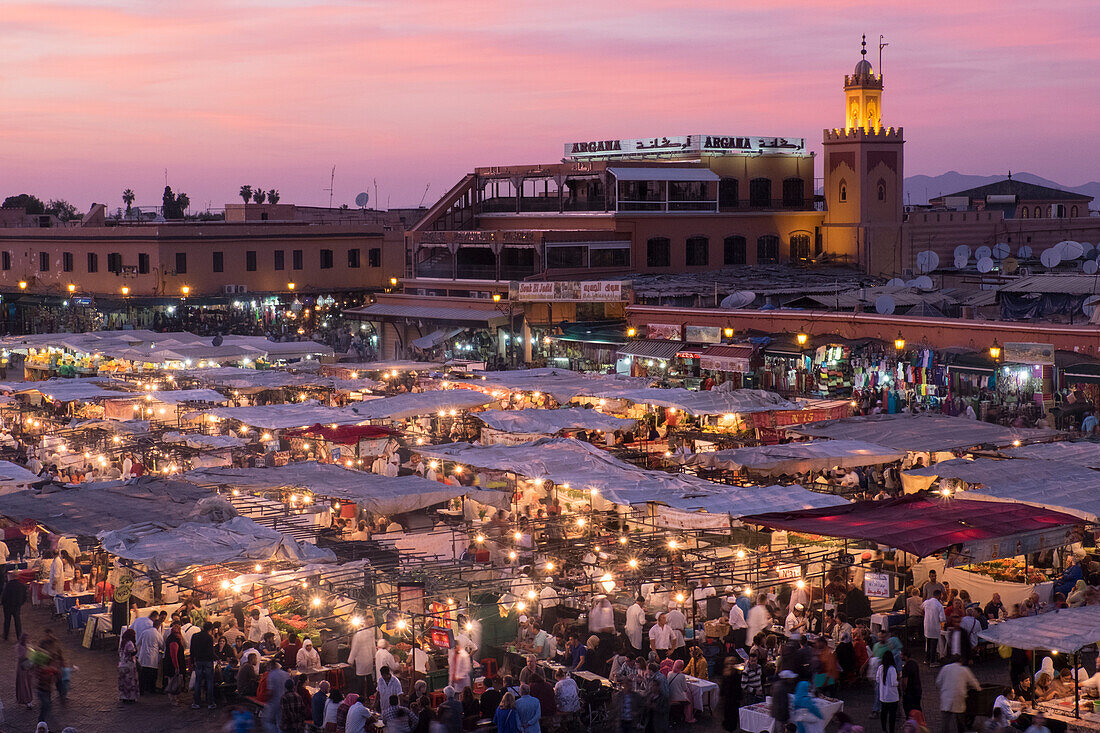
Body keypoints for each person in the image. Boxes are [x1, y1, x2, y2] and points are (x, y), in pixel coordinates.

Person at [937, 656, 980, 733]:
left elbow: (938, 682)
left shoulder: (945, 668)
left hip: (946, 697)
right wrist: (979, 688)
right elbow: (973, 681)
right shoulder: (964, 669)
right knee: (960, 719)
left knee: (945, 721)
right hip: (959, 697)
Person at [191, 621, 217, 709]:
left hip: (198, 661)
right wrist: (217, 658)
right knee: (209, 681)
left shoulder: (195, 636)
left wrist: (192, 661)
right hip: (208, 661)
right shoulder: (209, 638)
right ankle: (210, 702)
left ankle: (196, 702)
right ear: (210, 629)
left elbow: (192, 649)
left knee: (198, 681)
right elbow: (211, 652)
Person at [264, 659, 291, 733]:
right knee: (281, 721)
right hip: (285, 701)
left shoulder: (271, 675)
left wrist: (267, 701)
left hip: (275, 702)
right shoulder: (286, 674)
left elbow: (270, 691)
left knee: (268, 721)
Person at [877, 650, 900, 733]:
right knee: (892, 716)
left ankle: (884, 729)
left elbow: (877, 679)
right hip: (892, 697)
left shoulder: (880, 668)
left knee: (884, 714)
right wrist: (898, 682)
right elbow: (894, 683)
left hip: (883, 696)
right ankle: (891, 730)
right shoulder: (892, 669)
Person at [922, 590, 946, 665]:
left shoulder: (926, 602)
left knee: (928, 643)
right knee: (934, 644)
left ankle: (926, 659)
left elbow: (921, 608)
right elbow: (942, 619)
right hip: (935, 626)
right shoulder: (939, 605)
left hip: (927, 625)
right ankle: (932, 661)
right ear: (939, 596)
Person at [667, 659, 695, 723]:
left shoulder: (669, 673)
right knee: (689, 700)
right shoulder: (681, 676)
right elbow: (684, 689)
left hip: (670, 696)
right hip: (677, 698)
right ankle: (689, 718)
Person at [117, 627, 139, 704]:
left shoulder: (123, 643)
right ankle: (131, 697)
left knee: (123, 682)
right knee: (130, 682)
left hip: (121, 664)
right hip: (129, 666)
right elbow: (132, 652)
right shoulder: (129, 643)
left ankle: (123, 697)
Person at [2, 570, 26, 640]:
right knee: (17, 621)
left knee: (7, 621)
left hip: (8, 606)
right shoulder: (22, 585)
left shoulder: (8, 585)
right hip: (17, 606)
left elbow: (4, 596)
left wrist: (3, 603)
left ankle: (5, 635)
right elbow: (24, 597)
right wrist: (20, 603)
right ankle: (19, 636)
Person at [900, 650, 923, 714]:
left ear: (905, 656)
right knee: (917, 708)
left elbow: (905, 682)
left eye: (902, 655)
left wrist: (904, 690)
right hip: (917, 690)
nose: (900, 656)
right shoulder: (914, 663)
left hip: (910, 692)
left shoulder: (906, 667)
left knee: (909, 710)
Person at [16, 632, 34, 709]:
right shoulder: (21, 647)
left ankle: (29, 700)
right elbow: (21, 657)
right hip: (23, 668)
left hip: (26, 666)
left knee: (28, 683)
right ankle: (27, 701)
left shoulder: (26, 646)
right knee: (24, 684)